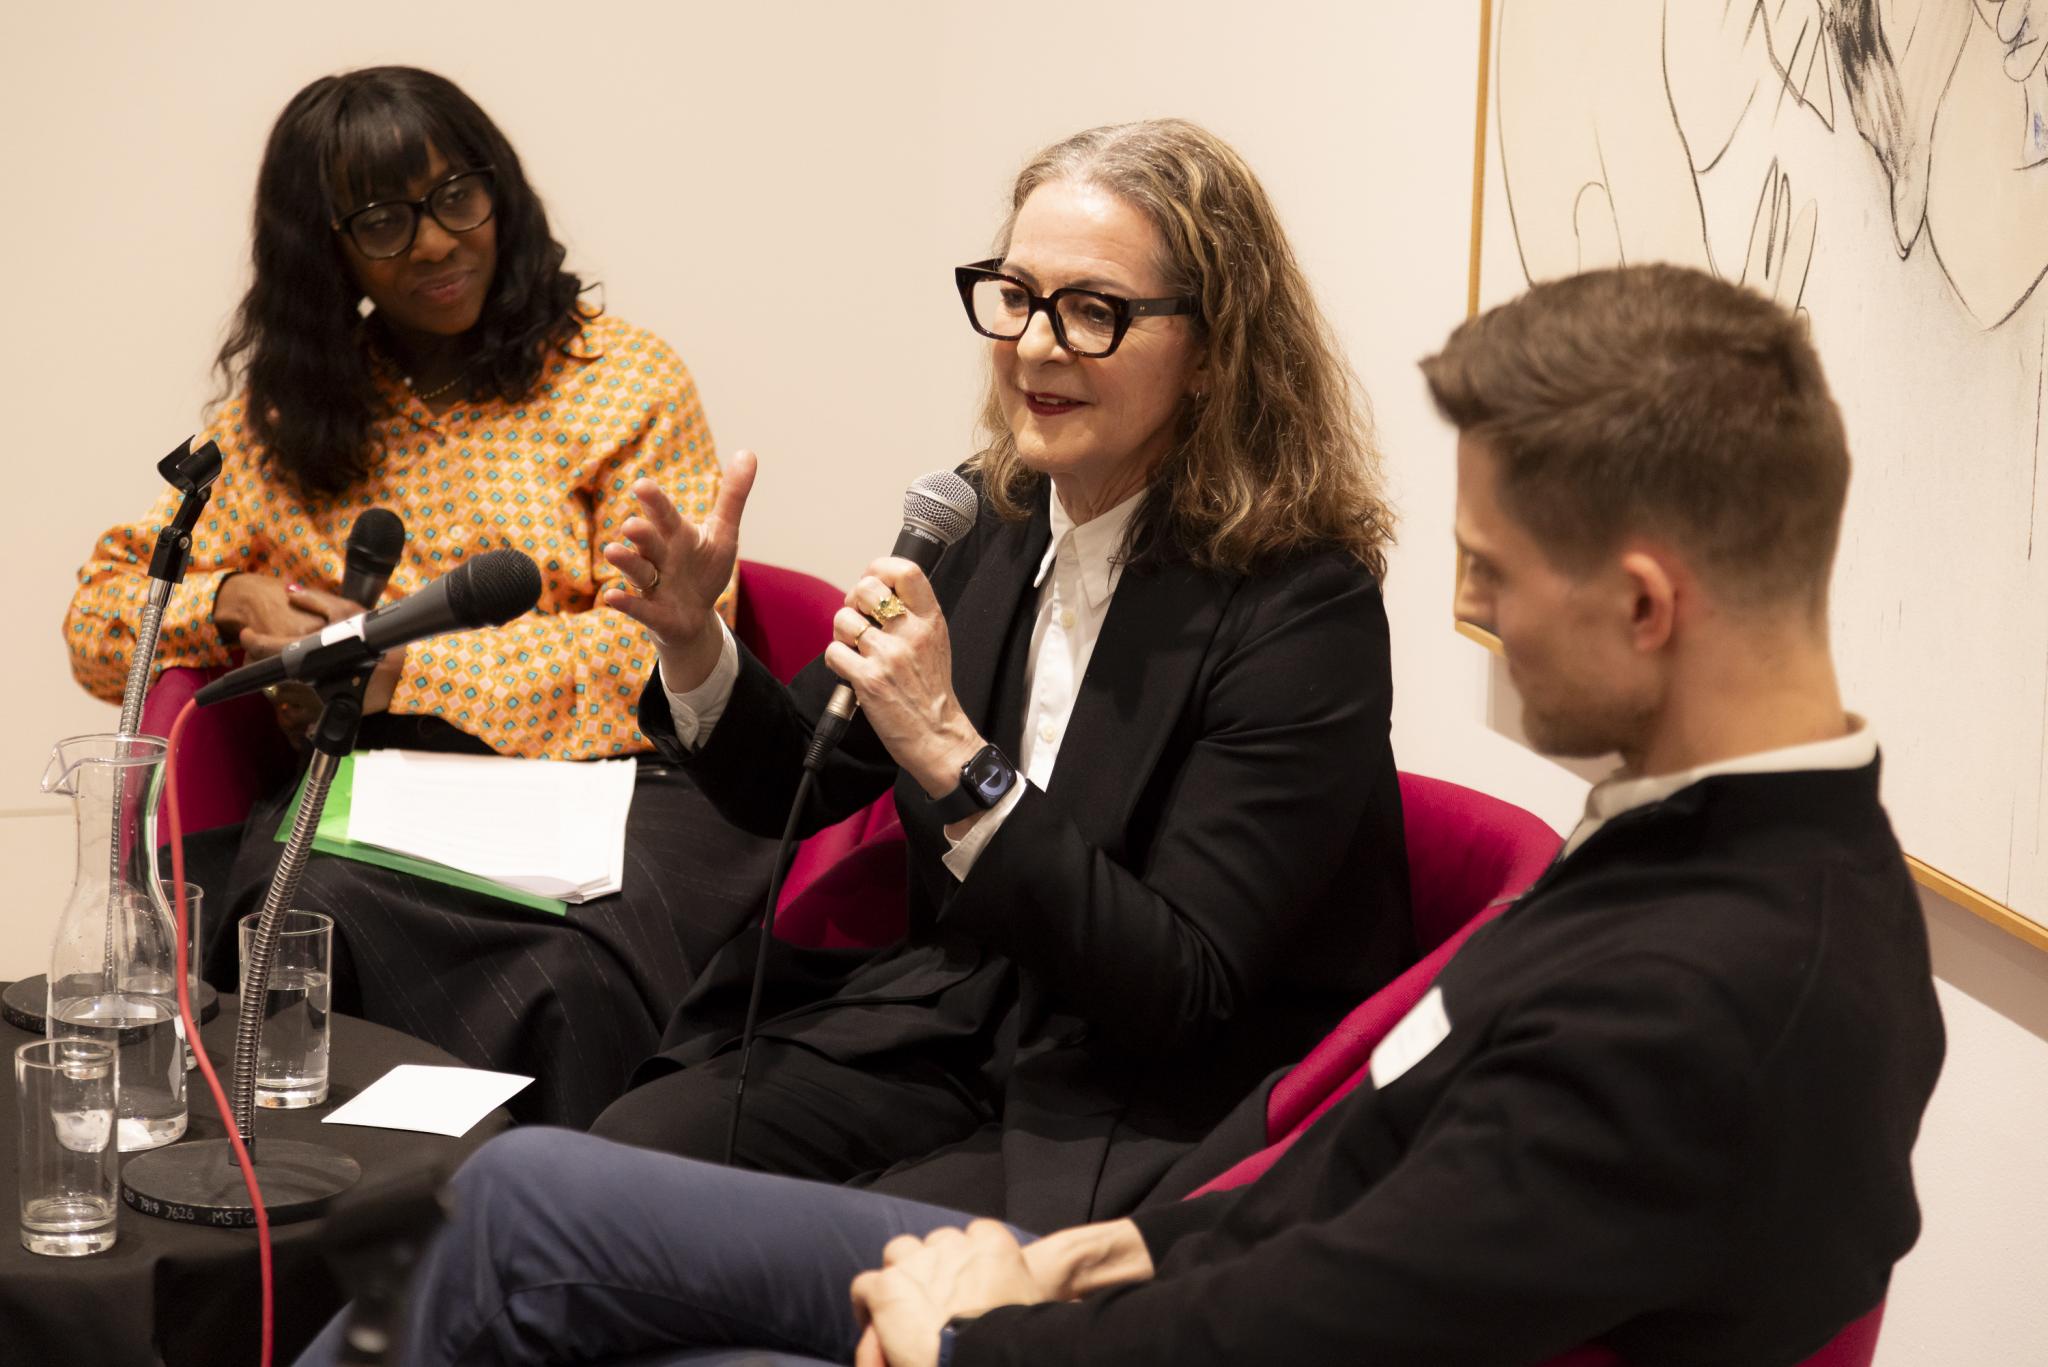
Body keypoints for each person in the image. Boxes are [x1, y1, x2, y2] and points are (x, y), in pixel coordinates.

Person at [293, 263, 1944, 1367]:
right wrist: (1102, 1264)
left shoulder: (1706, 992)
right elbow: (1353, 1156)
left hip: (1107, 1169)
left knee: (535, 1254)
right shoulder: (1688, 853)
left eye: (1493, 577)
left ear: (1645, 604)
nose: (1476, 615)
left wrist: (985, 1319)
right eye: (1013, 295)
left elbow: (1329, 1306)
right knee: (518, 1201)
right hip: (1122, 1229)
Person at [587, 117, 1411, 1229]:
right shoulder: (990, 513)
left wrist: (951, 753)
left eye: (1091, 310)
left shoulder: (1301, 607)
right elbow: (805, 785)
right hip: (949, 1015)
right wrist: (693, 641)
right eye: (1014, 295)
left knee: (807, 1267)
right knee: (613, 1167)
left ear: (1214, 351)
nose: (1032, 346)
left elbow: (1183, 985)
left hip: (1140, 1090)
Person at [63, 66, 778, 1126]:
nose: (437, 242)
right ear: (326, 248)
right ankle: (351, 1245)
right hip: (375, 803)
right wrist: (229, 599)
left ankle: (568, 1248)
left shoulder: (619, 379)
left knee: (573, 980)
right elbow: (100, 616)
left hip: (611, 794)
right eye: (385, 221)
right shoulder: (281, 417)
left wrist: (409, 667)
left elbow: (654, 645)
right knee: (296, 917)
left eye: (457, 197)